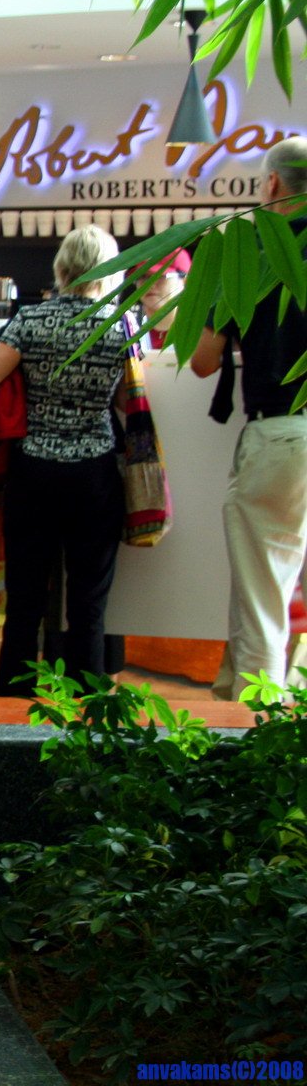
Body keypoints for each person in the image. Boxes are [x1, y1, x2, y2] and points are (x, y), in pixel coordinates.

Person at [0, 225, 130, 696]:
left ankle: (10, 707)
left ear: (61, 268)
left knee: (25, 601)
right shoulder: (121, 324)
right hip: (94, 474)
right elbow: (127, 399)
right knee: (88, 604)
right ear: (111, 271)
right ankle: (86, 709)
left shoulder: (32, 320)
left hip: (34, 472)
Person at [189, 136, 307, 701]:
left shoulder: (250, 253)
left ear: (272, 184)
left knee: (263, 592)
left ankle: (259, 725)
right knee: (271, 582)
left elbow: (202, 360)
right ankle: (234, 695)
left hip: (279, 435)